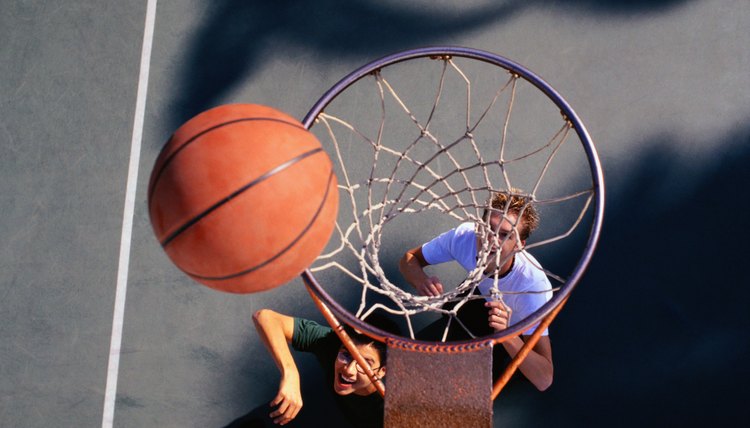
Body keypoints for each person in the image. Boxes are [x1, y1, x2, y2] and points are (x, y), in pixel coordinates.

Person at [399, 190, 554, 391]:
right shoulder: (465, 237)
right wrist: (421, 280)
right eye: (488, 228)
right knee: (453, 314)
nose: (492, 239)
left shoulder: (532, 289)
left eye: (505, 235)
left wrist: (506, 334)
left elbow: (545, 379)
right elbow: (408, 259)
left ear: (519, 246)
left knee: (467, 387)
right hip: (480, 296)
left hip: (510, 327)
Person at [224, 309, 394, 427]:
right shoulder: (331, 344)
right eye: (347, 354)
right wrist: (290, 373)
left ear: (382, 371)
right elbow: (265, 317)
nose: (349, 369)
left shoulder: (400, 399)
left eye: (365, 364)